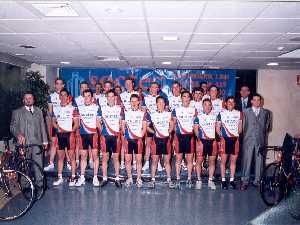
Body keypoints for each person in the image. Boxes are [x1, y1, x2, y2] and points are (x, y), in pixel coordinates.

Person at [10, 91, 48, 186]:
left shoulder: (39, 111)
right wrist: (18, 134)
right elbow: (12, 127)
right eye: (26, 98)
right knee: (24, 165)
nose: (28, 100)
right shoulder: (17, 112)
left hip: (37, 143)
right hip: (24, 143)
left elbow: (42, 126)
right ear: (23, 100)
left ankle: (40, 184)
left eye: (30, 98)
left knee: (38, 164)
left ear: (33, 100)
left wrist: (45, 140)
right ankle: (25, 185)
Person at [240, 93, 271, 191]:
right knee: (247, 161)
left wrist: (261, 135)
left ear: (261, 102)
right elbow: (243, 127)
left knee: (260, 161)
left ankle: (258, 182)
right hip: (248, 140)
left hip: (260, 140)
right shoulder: (245, 112)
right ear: (251, 101)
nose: (257, 102)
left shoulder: (266, 112)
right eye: (255, 100)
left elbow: (268, 127)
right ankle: (245, 181)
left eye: (259, 100)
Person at [52, 89, 78, 186]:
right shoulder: (56, 109)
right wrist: (57, 128)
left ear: (68, 97)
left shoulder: (72, 108)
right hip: (60, 135)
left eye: (65, 95)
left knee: (72, 157)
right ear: (59, 97)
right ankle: (60, 177)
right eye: (61, 95)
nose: (63, 97)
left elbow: (76, 124)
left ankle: (73, 177)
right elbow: (53, 122)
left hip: (69, 135)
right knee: (60, 157)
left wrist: (71, 131)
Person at [147, 96, 175, 188]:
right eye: (159, 102)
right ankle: (152, 180)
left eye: (163, 102)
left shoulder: (168, 114)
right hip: (156, 140)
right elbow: (146, 126)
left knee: (167, 161)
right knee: (154, 161)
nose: (161, 104)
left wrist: (168, 132)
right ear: (156, 104)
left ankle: (169, 180)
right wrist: (154, 132)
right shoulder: (152, 114)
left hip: (166, 140)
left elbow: (172, 125)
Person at [75, 89, 101, 187]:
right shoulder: (79, 108)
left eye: (88, 96)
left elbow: (98, 124)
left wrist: (101, 135)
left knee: (95, 156)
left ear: (92, 97)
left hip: (93, 135)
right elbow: (77, 123)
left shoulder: (97, 107)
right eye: (85, 96)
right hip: (83, 136)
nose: (86, 98)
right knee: (83, 157)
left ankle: (95, 177)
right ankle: (82, 177)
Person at [216, 96, 242, 190]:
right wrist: (223, 137)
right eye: (229, 102)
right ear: (225, 103)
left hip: (235, 140)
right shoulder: (221, 113)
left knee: (233, 161)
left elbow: (240, 129)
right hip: (224, 140)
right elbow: (217, 129)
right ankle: (223, 180)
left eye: (232, 102)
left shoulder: (239, 113)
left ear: (235, 104)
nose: (231, 103)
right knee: (223, 161)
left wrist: (234, 134)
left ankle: (231, 180)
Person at [172, 90, 197, 188]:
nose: (186, 99)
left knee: (189, 160)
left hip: (190, 137)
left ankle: (189, 179)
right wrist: (175, 137)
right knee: (178, 160)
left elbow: (196, 125)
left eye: (188, 97)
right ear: (181, 98)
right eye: (184, 96)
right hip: (179, 137)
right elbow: (173, 125)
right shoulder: (176, 110)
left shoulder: (194, 110)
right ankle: (178, 179)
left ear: (190, 99)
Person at [121, 94, 147, 188]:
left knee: (139, 161)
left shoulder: (143, 113)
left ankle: (139, 178)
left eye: (136, 101)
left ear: (139, 102)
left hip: (138, 140)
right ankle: (130, 178)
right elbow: (123, 127)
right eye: (132, 101)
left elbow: (144, 128)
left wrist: (140, 137)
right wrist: (126, 136)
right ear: (130, 102)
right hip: (128, 140)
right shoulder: (125, 113)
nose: (134, 103)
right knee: (128, 161)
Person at [99, 89, 122, 188]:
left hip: (116, 137)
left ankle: (117, 178)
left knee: (116, 158)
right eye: (109, 96)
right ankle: (104, 178)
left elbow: (121, 123)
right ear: (106, 98)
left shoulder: (119, 108)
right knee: (105, 158)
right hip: (105, 137)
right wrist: (102, 133)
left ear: (115, 98)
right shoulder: (102, 108)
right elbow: (98, 123)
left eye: (112, 96)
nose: (111, 98)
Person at [44, 78, 69, 172]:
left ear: (63, 85)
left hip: (65, 123)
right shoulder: (51, 96)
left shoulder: (68, 95)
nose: (58, 86)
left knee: (66, 144)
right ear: (55, 85)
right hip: (55, 123)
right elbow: (51, 113)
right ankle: (50, 163)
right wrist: (52, 124)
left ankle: (69, 162)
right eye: (57, 84)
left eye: (60, 84)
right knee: (54, 143)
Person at [193, 99, 218, 190]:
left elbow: (217, 129)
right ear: (202, 106)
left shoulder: (215, 117)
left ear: (211, 106)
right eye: (205, 105)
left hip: (212, 142)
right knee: (199, 161)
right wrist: (199, 141)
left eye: (209, 105)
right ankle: (198, 180)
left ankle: (210, 180)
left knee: (212, 162)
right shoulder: (198, 117)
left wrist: (216, 140)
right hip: (201, 142)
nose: (207, 107)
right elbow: (195, 130)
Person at [142, 82, 162, 172]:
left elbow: (165, 110)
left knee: (159, 144)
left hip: (160, 123)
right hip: (149, 122)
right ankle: (146, 162)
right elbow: (143, 111)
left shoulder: (162, 98)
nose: (154, 89)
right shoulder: (145, 98)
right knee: (148, 143)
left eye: (156, 87)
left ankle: (158, 163)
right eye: (152, 87)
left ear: (158, 89)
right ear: (149, 89)